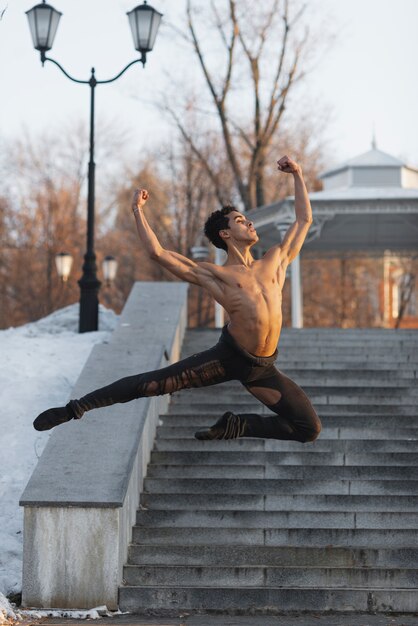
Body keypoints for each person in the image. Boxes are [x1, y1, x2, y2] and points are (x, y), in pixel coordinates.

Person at [34, 155, 321, 443]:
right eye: (239, 220)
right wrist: (137, 211)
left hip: (262, 369)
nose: (249, 223)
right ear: (225, 234)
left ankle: (239, 426)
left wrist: (297, 173)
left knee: (309, 428)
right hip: (228, 358)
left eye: (246, 219)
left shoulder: (275, 261)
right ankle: (74, 409)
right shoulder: (214, 275)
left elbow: (304, 219)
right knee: (152, 383)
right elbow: (158, 253)